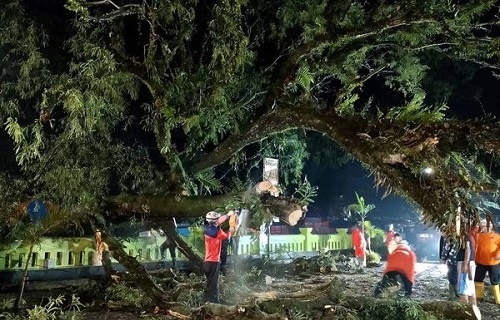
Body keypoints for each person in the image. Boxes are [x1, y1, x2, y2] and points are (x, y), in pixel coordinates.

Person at [203, 210, 235, 303]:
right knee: (214, 285)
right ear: (215, 221)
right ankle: (214, 303)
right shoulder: (219, 232)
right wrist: (231, 229)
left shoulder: (206, 229)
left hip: (207, 262)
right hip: (214, 263)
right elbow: (227, 236)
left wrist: (228, 215)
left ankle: (205, 302)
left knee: (209, 283)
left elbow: (218, 221)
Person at [474, 219, 500, 304]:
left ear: (491, 226)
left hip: (493, 263)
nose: (484, 227)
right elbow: (477, 249)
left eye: (485, 225)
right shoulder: (479, 236)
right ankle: (479, 296)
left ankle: (498, 299)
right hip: (481, 262)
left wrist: (499, 254)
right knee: (478, 279)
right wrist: (475, 259)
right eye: (483, 225)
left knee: (494, 281)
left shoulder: (497, 236)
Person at [456, 226, 477, 305]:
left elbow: (468, 250)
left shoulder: (464, 236)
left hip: (465, 263)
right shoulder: (464, 236)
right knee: (471, 289)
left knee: (463, 290)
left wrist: (465, 265)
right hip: (468, 263)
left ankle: (466, 310)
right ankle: (474, 309)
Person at [439, 234, 459, 299]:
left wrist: (443, 258)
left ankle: (452, 294)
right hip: (462, 260)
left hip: (452, 259)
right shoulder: (463, 235)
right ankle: (458, 293)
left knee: (451, 275)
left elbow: (446, 248)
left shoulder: (450, 236)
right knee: (458, 275)